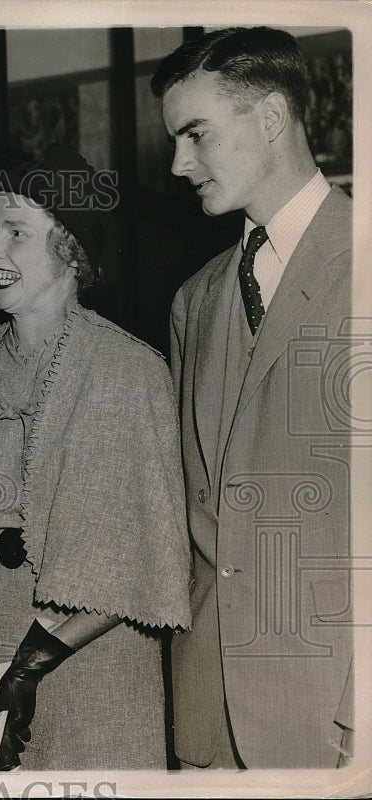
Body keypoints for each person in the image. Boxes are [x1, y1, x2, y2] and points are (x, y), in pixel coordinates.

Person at [0, 145, 192, 771]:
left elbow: (141, 556)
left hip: (93, 658)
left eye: (17, 233)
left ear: (69, 249)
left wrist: (34, 662)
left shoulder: (131, 371)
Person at [152, 27, 354, 769]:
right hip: (208, 716)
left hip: (335, 719)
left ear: (271, 118)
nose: (179, 163)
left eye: (195, 134)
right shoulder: (195, 300)